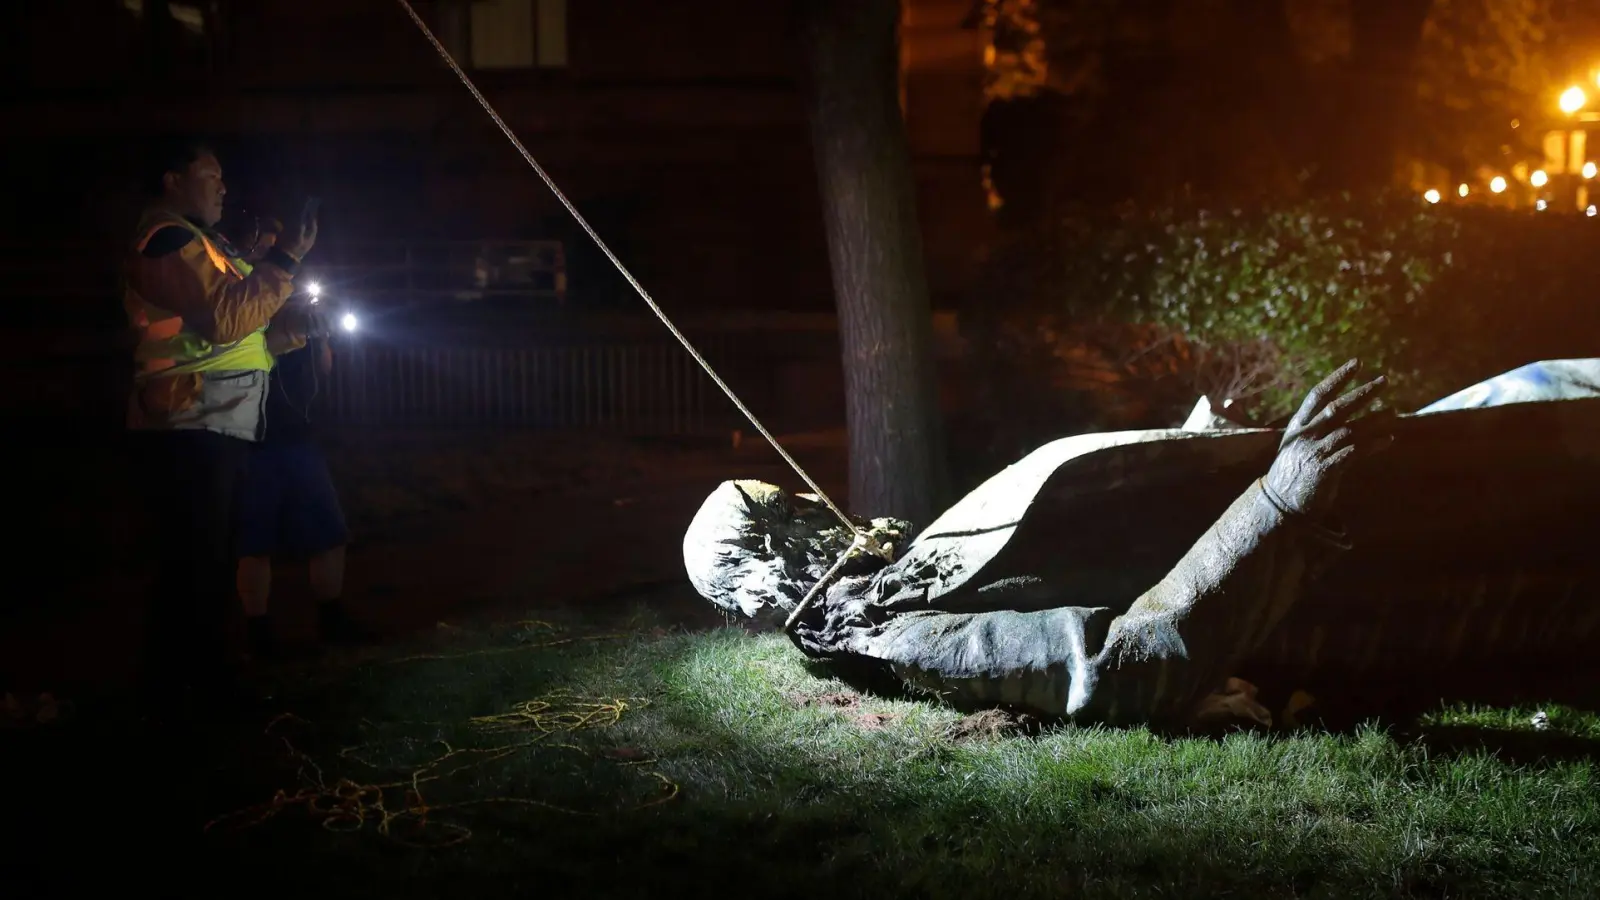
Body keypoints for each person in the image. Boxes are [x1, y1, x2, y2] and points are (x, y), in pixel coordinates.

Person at [682, 359, 1600, 729]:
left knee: (1536, 386)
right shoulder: (893, 627)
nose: (815, 498)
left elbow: (1080, 526)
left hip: (1364, 525)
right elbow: (1117, 666)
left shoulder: (898, 572)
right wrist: (1275, 498)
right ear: (769, 556)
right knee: (1542, 415)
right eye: (788, 505)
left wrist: (1193, 448)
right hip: (1359, 580)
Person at [121, 137, 316, 714]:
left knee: (206, 563)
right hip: (186, 423)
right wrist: (285, 261)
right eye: (210, 176)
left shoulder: (201, 245)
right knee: (194, 566)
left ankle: (195, 684)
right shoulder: (168, 240)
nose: (224, 187)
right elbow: (226, 320)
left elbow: (245, 336)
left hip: (210, 422)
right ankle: (191, 692)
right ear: (172, 182)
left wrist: (299, 330)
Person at [235, 289, 371, 660]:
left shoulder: (304, 319)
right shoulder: (245, 305)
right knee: (254, 541)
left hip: (295, 437)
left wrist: (319, 333)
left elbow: (324, 368)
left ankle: (328, 619)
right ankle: (258, 631)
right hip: (253, 438)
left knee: (326, 532)